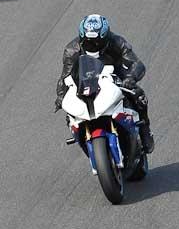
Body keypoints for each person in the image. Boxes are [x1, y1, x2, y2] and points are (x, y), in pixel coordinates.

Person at [55, 14, 155, 153]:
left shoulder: (117, 42)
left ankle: (145, 132)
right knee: (70, 115)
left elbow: (137, 64)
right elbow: (65, 76)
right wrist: (61, 96)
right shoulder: (71, 50)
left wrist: (130, 78)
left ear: (106, 37)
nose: (93, 45)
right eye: (89, 42)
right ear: (82, 38)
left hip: (116, 75)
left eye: (97, 42)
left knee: (139, 95)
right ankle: (82, 139)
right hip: (86, 80)